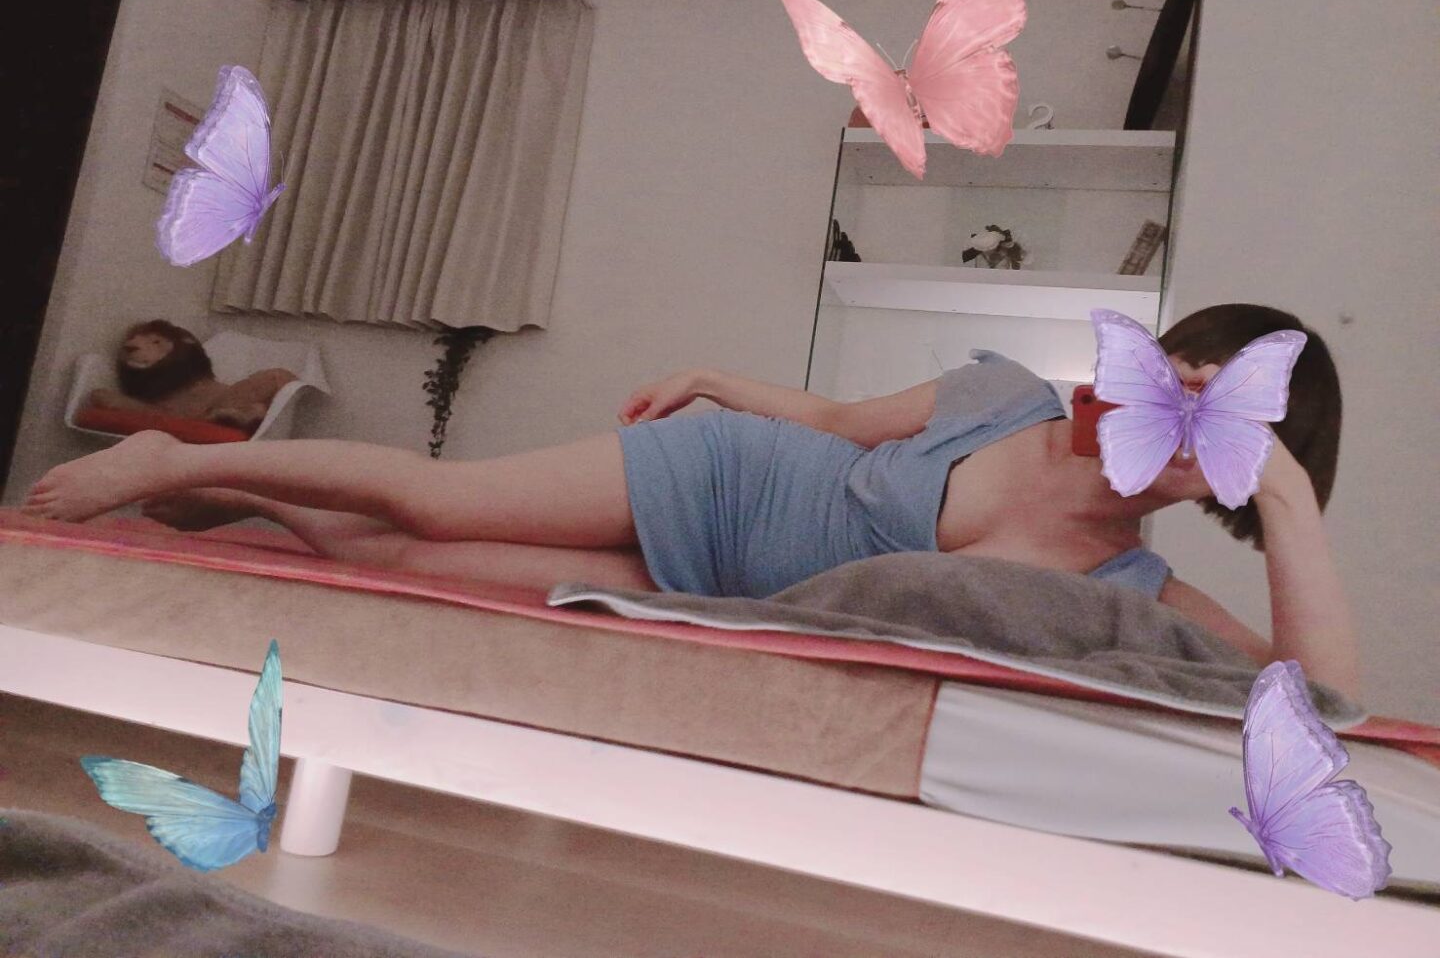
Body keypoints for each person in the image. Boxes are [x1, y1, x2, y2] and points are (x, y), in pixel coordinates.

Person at [21, 303, 1358, 695]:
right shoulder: (1005, 391)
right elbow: (838, 427)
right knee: (435, 504)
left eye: (1232, 432)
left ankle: (250, 505)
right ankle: (176, 461)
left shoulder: (1137, 594)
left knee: (399, 564)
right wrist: (717, 375)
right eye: (1188, 383)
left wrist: (1291, 507)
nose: (1187, 424)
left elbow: (1328, 709)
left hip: (719, 595)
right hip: (729, 473)